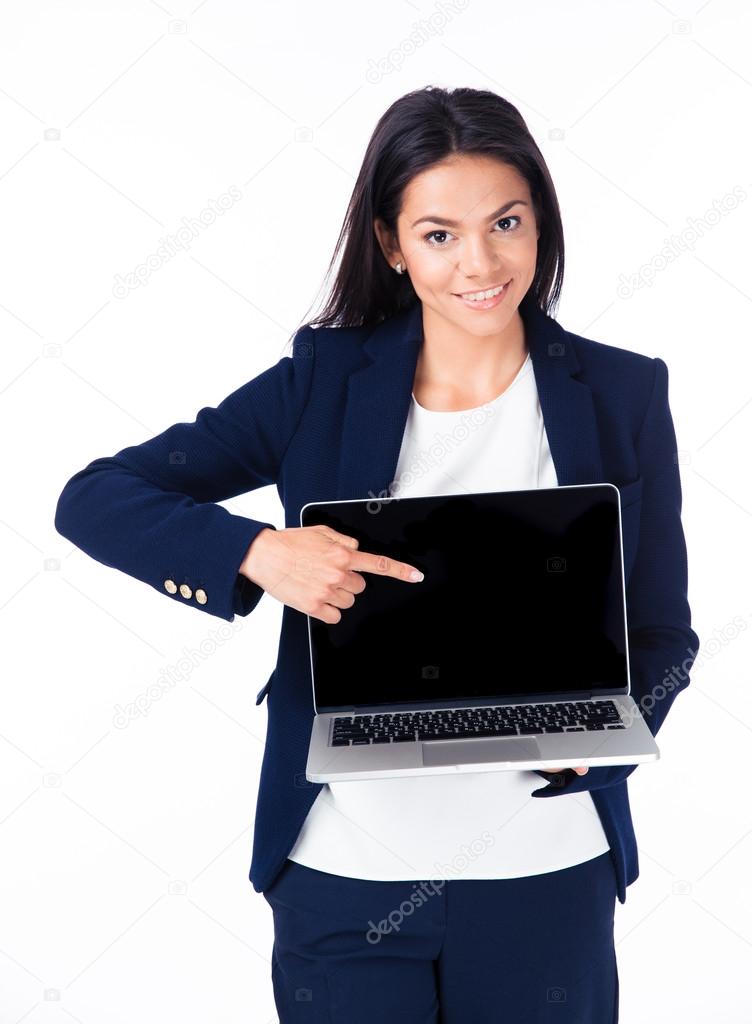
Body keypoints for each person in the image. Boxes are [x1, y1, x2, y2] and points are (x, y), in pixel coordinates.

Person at [54, 85, 699, 1022]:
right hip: (345, 876)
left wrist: (604, 744)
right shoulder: (323, 382)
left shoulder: (621, 392)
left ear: (540, 225)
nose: (479, 263)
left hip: (545, 874)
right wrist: (257, 551)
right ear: (394, 248)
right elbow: (97, 498)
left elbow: (667, 634)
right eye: (439, 234)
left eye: (506, 223)